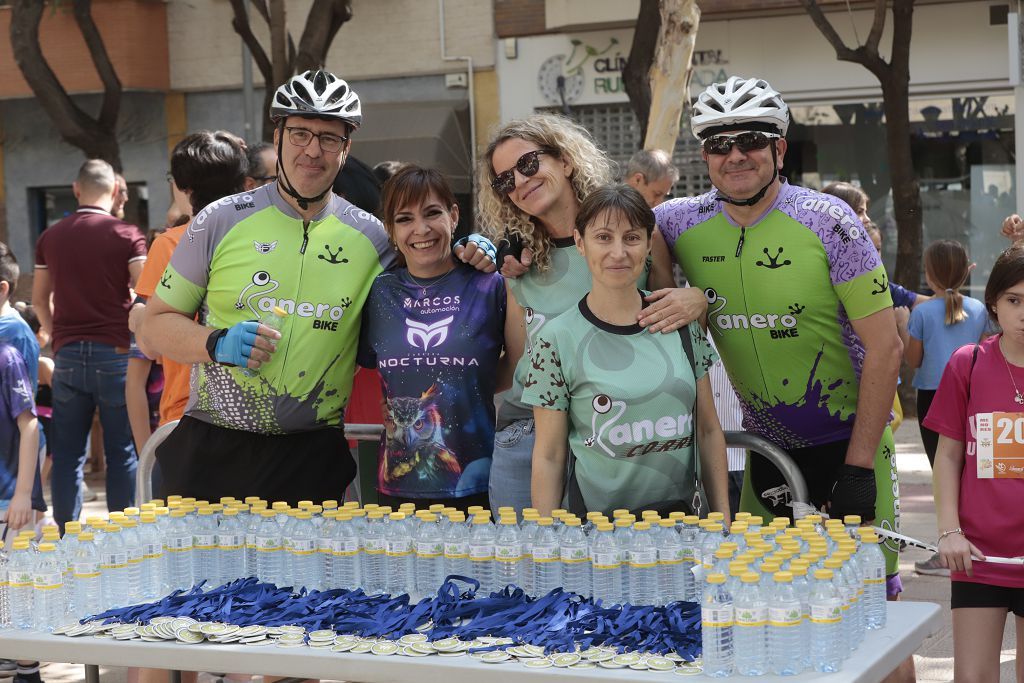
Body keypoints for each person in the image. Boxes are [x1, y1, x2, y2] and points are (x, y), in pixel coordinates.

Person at [141, 70, 494, 503]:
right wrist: (215, 343)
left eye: (329, 138)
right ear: (279, 134)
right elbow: (154, 326)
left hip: (311, 456)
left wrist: (468, 254)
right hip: (212, 445)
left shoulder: (373, 237)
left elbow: (427, 268)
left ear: (346, 148)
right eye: (301, 133)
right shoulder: (219, 219)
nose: (313, 150)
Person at [654, 76, 906, 606]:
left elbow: (886, 348)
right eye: (720, 145)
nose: (735, 155)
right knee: (771, 610)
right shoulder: (677, 221)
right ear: (705, 154)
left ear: (779, 147)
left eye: (750, 140)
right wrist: (493, 250)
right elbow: (588, 229)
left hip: (852, 449)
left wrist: (859, 470)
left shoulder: (830, 223)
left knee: (870, 614)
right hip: (768, 452)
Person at [479, 113, 707, 517]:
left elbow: (668, 320)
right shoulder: (519, 259)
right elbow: (519, 363)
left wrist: (698, 300)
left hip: (617, 430)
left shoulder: (631, 233)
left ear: (565, 161)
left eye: (529, 164)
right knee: (533, 571)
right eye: (504, 179)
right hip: (530, 433)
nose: (519, 181)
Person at [525, 185, 729, 516]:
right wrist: (549, 542)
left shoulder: (679, 322)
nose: (618, 252)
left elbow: (708, 430)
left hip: (683, 526)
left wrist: (723, 522)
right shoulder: (554, 340)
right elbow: (549, 455)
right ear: (580, 243)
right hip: (599, 535)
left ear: (649, 244)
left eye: (631, 238)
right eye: (603, 237)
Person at [358, 166, 514, 511]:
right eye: (404, 219)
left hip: (476, 481)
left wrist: (475, 384)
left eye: (432, 213)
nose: (421, 229)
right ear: (390, 230)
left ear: (453, 215)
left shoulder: (490, 285)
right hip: (396, 487)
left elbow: (519, 363)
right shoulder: (379, 292)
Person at [925, 244, 1024, 683]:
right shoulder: (968, 364)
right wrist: (949, 531)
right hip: (979, 556)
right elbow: (947, 457)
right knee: (973, 678)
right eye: (1014, 300)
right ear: (994, 304)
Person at [33, 158, 147, 529]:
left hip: (67, 355)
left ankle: (68, 537)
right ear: (115, 190)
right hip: (115, 354)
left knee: (67, 455)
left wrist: (58, 336)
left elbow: (38, 299)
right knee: (121, 452)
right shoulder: (127, 234)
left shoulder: (50, 237)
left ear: (76, 188)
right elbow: (146, 291)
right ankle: (120, 537)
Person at [130, 131, 250, 440]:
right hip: (258, 406)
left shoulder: (169, 243)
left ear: (184, 185)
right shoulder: (264, 241)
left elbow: (150, 344)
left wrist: (138, 318)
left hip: (188, 411)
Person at [905, 240, 991, 577]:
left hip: (934, 398)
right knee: (971, 470)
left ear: (930, 274)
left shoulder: (922, 312)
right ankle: (975, 540)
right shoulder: (980, 310)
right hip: (973, 395)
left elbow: (914, 360)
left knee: (943, 470)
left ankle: (949, 548)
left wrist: (903, 327)